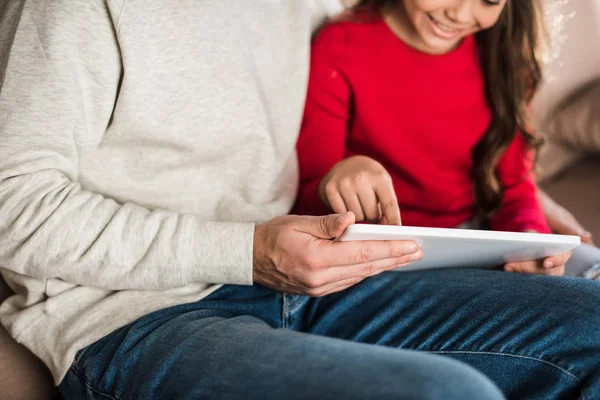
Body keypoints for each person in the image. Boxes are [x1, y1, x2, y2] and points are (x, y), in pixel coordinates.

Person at [0, 1, 598, 399]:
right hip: (140, 316)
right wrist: (250, 251)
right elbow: (12, 205)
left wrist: (534, 206)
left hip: (318, 281)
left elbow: (421, 111)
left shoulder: (309, 4)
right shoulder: (70, 10)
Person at [294, 0, 597, 277]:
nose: (459, 14)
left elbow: (514, 189)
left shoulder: (506, 56)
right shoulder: (340, 45)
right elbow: (309, 197)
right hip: (380, 256)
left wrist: (531, 238)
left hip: (483, 239)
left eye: (489, 0)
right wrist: (338, 178)